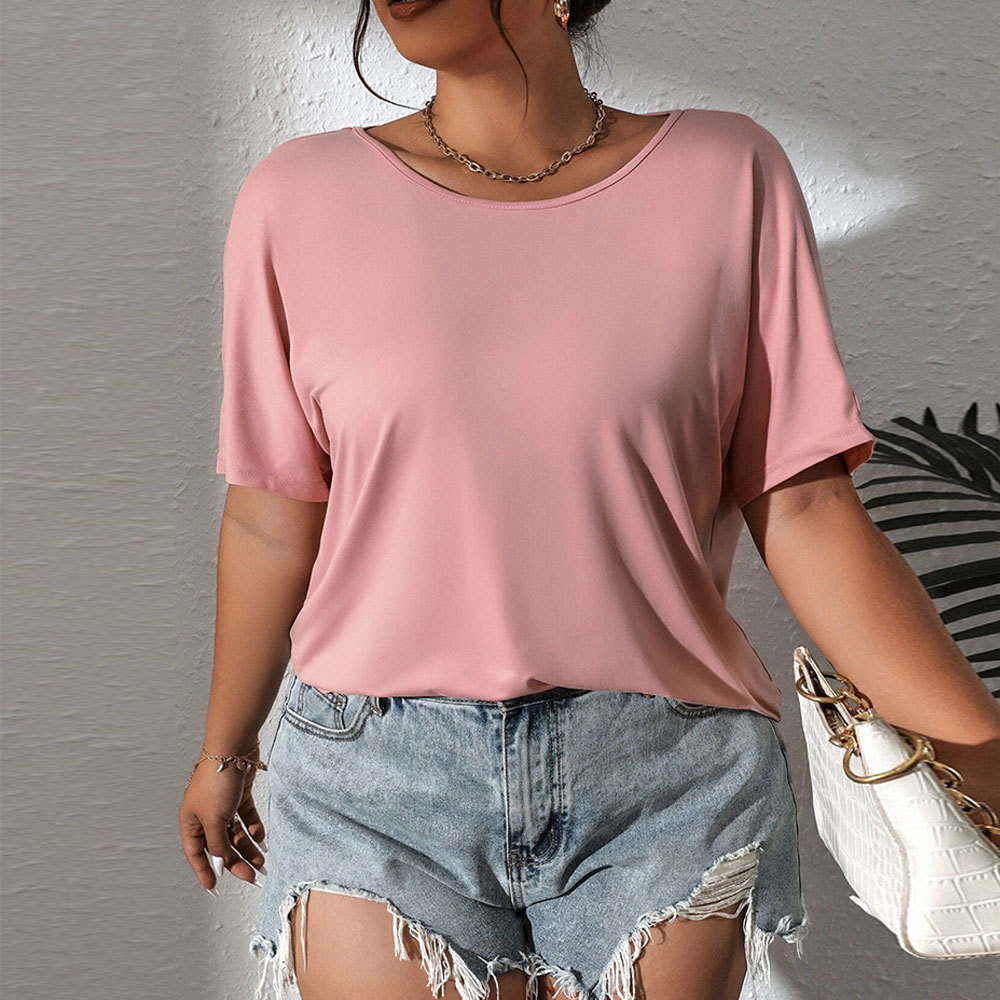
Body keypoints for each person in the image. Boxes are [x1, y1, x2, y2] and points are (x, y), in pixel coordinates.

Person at [178, 2, 1000, 999]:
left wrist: (979, 752)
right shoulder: (297, 198)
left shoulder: (727, 175)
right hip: (375, 773)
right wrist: (226, 751)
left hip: (666, 772)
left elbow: (805, 509)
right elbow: (270, 515)